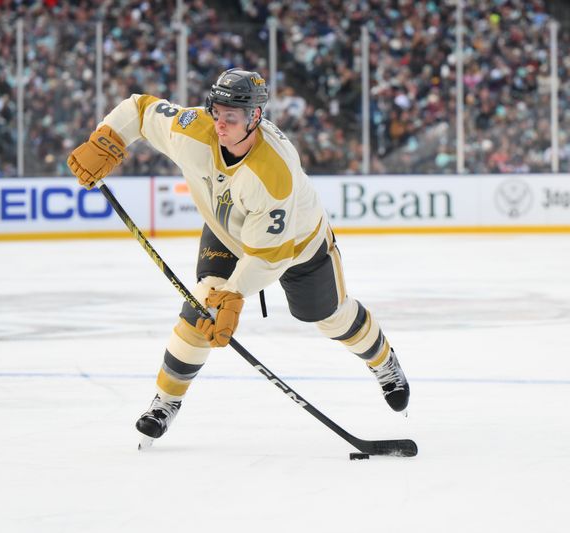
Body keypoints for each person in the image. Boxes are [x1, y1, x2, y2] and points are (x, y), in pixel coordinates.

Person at [66, 68, 410, 444]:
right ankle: (165, 403)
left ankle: (384, 363)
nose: (220, 124)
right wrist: (107, 137)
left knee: (330, 317)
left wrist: (234, 295)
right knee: (202, 309)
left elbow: (269, 257)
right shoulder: (193, 130)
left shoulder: (272, 174)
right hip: (229, 229)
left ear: (255, 118)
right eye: (217, 111)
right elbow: (141, 110)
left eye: (232, 117)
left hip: (296, 246)